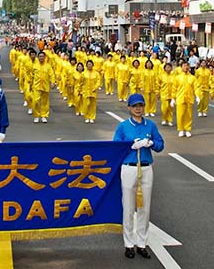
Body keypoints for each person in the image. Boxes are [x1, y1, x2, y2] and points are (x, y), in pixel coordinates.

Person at [113, 93, 164, 260]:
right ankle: (129, 244)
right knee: (128, 208)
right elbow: (115, 147)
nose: (138, 109)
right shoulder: (123, 127)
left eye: (140, 106)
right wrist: (130, 145)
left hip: (146, 168)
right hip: (129, 168)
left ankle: (142, 243)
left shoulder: (150, 126)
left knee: (144, 208)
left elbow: (160, 145)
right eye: (134, 106)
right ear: (129, 108)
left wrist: (151, 143)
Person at [172, 61, 197, 137]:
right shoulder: (177, 78)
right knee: (180, 115)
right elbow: (174, 88)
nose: (186, 67)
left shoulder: (192, 78)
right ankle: (181, 129)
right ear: (181, 67)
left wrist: (198, 96)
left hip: (189, 98)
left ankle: (188, 129)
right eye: (184, 66)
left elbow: (196, 87)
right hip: (180, 98)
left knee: (188, 115)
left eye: (187, 66)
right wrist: (173, 98)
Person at [32, 51, 55, 123]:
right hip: (36, 86)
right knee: (35, 101)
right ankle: (36, 115)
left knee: (44, 102)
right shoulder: (34, 65)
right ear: (38, 57)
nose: (41, 58)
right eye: (40, 56)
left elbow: (52, 75)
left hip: (45, 86)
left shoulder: (48, 66)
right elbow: (31, 75)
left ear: (45, 57)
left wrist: (52, 82)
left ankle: (44, 115)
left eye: (42, 56)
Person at [82, 59, 101, 124]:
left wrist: (95, 87)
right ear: (86, 65)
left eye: (90, 64)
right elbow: (81, 82)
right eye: (88, 64)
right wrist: (80, 90)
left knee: (93, 105)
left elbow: (98, 81)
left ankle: (92, 117)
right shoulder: (84, 73)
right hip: (86, 91)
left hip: (93, 91)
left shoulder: (96, 73)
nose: (89, 65)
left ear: (92, 65)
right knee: (86, 104)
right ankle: (87, 117)